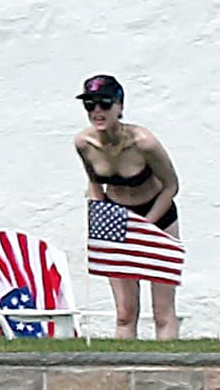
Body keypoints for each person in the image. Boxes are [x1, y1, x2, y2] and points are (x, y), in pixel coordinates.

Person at [73, 74, 181, 339]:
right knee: (124, 312)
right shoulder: (85, 144)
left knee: (162, 311)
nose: (97, 111)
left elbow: (171, 185)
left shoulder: (144, 143)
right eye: (89, 105)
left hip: (157, 215)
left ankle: (166, 371)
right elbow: (95, 184)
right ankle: (122, 374)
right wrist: (99, 219)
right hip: (117, 218)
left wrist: (144, 228)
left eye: (104, 103)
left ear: (119, 106)